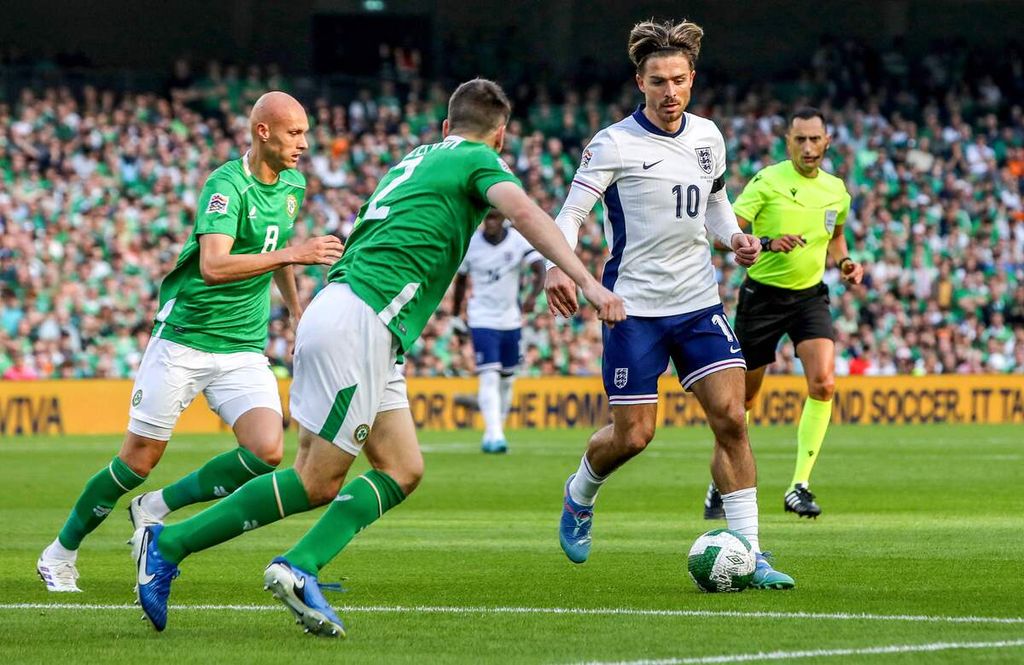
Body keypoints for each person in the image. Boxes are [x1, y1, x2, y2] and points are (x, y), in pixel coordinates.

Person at [133, 78, 625, 635]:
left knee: (402, 468)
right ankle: (175, 544)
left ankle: (296, 564)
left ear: (444, 126)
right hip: (362, 320)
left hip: (357, 318)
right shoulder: (477, 160)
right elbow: (526, 213)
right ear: (501, 137)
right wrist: (588, 282)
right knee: (317, 480)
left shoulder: (415, 158)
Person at [36, 92, 344, 593]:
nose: (304, 144)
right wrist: (297, 252)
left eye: (305, 133)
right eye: (294, 133)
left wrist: (297, 310)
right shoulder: (225, 187)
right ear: (262, 131)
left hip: (242, 346)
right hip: (184, 340)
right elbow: (214, 265)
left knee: (266, 451)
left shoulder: (292, 185)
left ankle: (156, 508)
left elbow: (279, 252)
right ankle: (60, 552)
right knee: (137, 460)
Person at [545, 19, 794, 589]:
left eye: (678, 80)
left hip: (698, 303)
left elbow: (716, 204)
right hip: (633, 309)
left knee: (732, 418)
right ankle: (580, 492)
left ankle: (751, 553)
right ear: (640, 81)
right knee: (633, 435)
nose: (670, 91)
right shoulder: (613, 144)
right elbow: (569, 217)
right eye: (658, 81)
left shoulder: (708, 136)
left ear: (692, 80)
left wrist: (734, 239)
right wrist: (559, 266)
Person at [703, 108, 863, 520]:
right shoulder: (768, 181)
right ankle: (723, 477)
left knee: (825, 383)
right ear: (787, 142)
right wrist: (767, 242)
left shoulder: (836, 190)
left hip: (810, 297)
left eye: (815, 139)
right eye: (800, 140)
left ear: (827, 141)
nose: (808, 147)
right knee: (744, 402)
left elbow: (837, 236)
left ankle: (799, 486)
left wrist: (845, 264)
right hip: (763, 298)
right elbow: (725, 235)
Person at [452, 211, 545, 453]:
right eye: (487, 218)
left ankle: (498, 429)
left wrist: (533, 297)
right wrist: (455, 316)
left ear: (503, 218)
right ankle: (492, 435)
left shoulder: (516, 240)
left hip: (510, 320)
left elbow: (539, 268)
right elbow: (460, 281)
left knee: (507, 379)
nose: (490, 223)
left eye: (495, 218)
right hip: (482, 318)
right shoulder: (472, 244)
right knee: (489, 375)